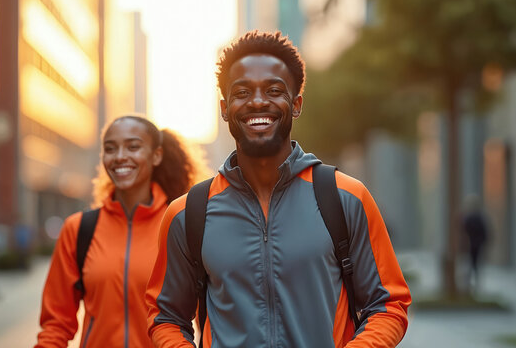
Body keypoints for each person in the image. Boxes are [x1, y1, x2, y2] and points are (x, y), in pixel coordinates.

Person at [146, 31, 411, 347]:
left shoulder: (346, 199)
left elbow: (388, 306)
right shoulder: (188, 213)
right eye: (242, 92)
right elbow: (166, 318)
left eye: (273, 90)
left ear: (296, 104)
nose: (258, 101)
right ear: (225, 108)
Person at [35, 115, 202, 348]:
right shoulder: (79, 229)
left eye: (133, 147)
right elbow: (56, 324)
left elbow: (206, 318)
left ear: (156, 155)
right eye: (110, 149)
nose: (120, 156)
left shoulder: (180, 226)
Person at [461, 194, 489, 292]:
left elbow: (462, 232)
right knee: (474, 265)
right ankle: (473, 285)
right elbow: (485, 233)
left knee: (469, 265)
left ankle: (468, 285)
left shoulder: (467, 218)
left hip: (469, 246)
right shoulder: (479, 218)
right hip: (475, 245)